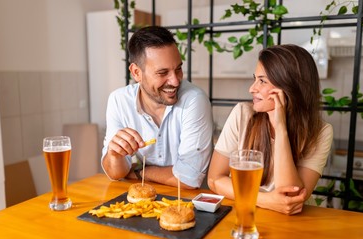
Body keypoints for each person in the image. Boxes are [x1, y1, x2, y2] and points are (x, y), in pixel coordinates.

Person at [207, 44, 333, 215]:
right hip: (245, 213)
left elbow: (291, 194)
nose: (252, 88)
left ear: (289, 87)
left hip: (290, 225)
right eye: (255, 79)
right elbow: (214, 180)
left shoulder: (321, 132)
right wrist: (266, 200)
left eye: (262, 81)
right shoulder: (242, 114)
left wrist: (280, 126)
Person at [101, 26, 213, 189]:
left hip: (190, 202)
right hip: (146, 200)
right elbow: (114, 174)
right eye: (162, 73)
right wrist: (114, 155)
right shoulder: (118, 101)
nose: (175, 81)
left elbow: (189, 178)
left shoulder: (194, 100)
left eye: (178, 69)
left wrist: (138, 172)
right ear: (136, 72)